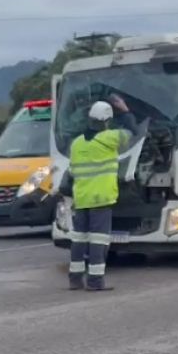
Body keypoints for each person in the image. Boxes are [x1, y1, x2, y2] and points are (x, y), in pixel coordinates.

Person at [67, 95, 136, 291]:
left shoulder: (77, 143)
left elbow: (72, 171)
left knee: (79, 239)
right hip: (101, 199)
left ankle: (75, 279)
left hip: (81, 198)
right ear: (107, 121)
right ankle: (95, 281)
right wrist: (125, 110)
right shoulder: (110, 138)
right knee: (98, 240)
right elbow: (132, 132)